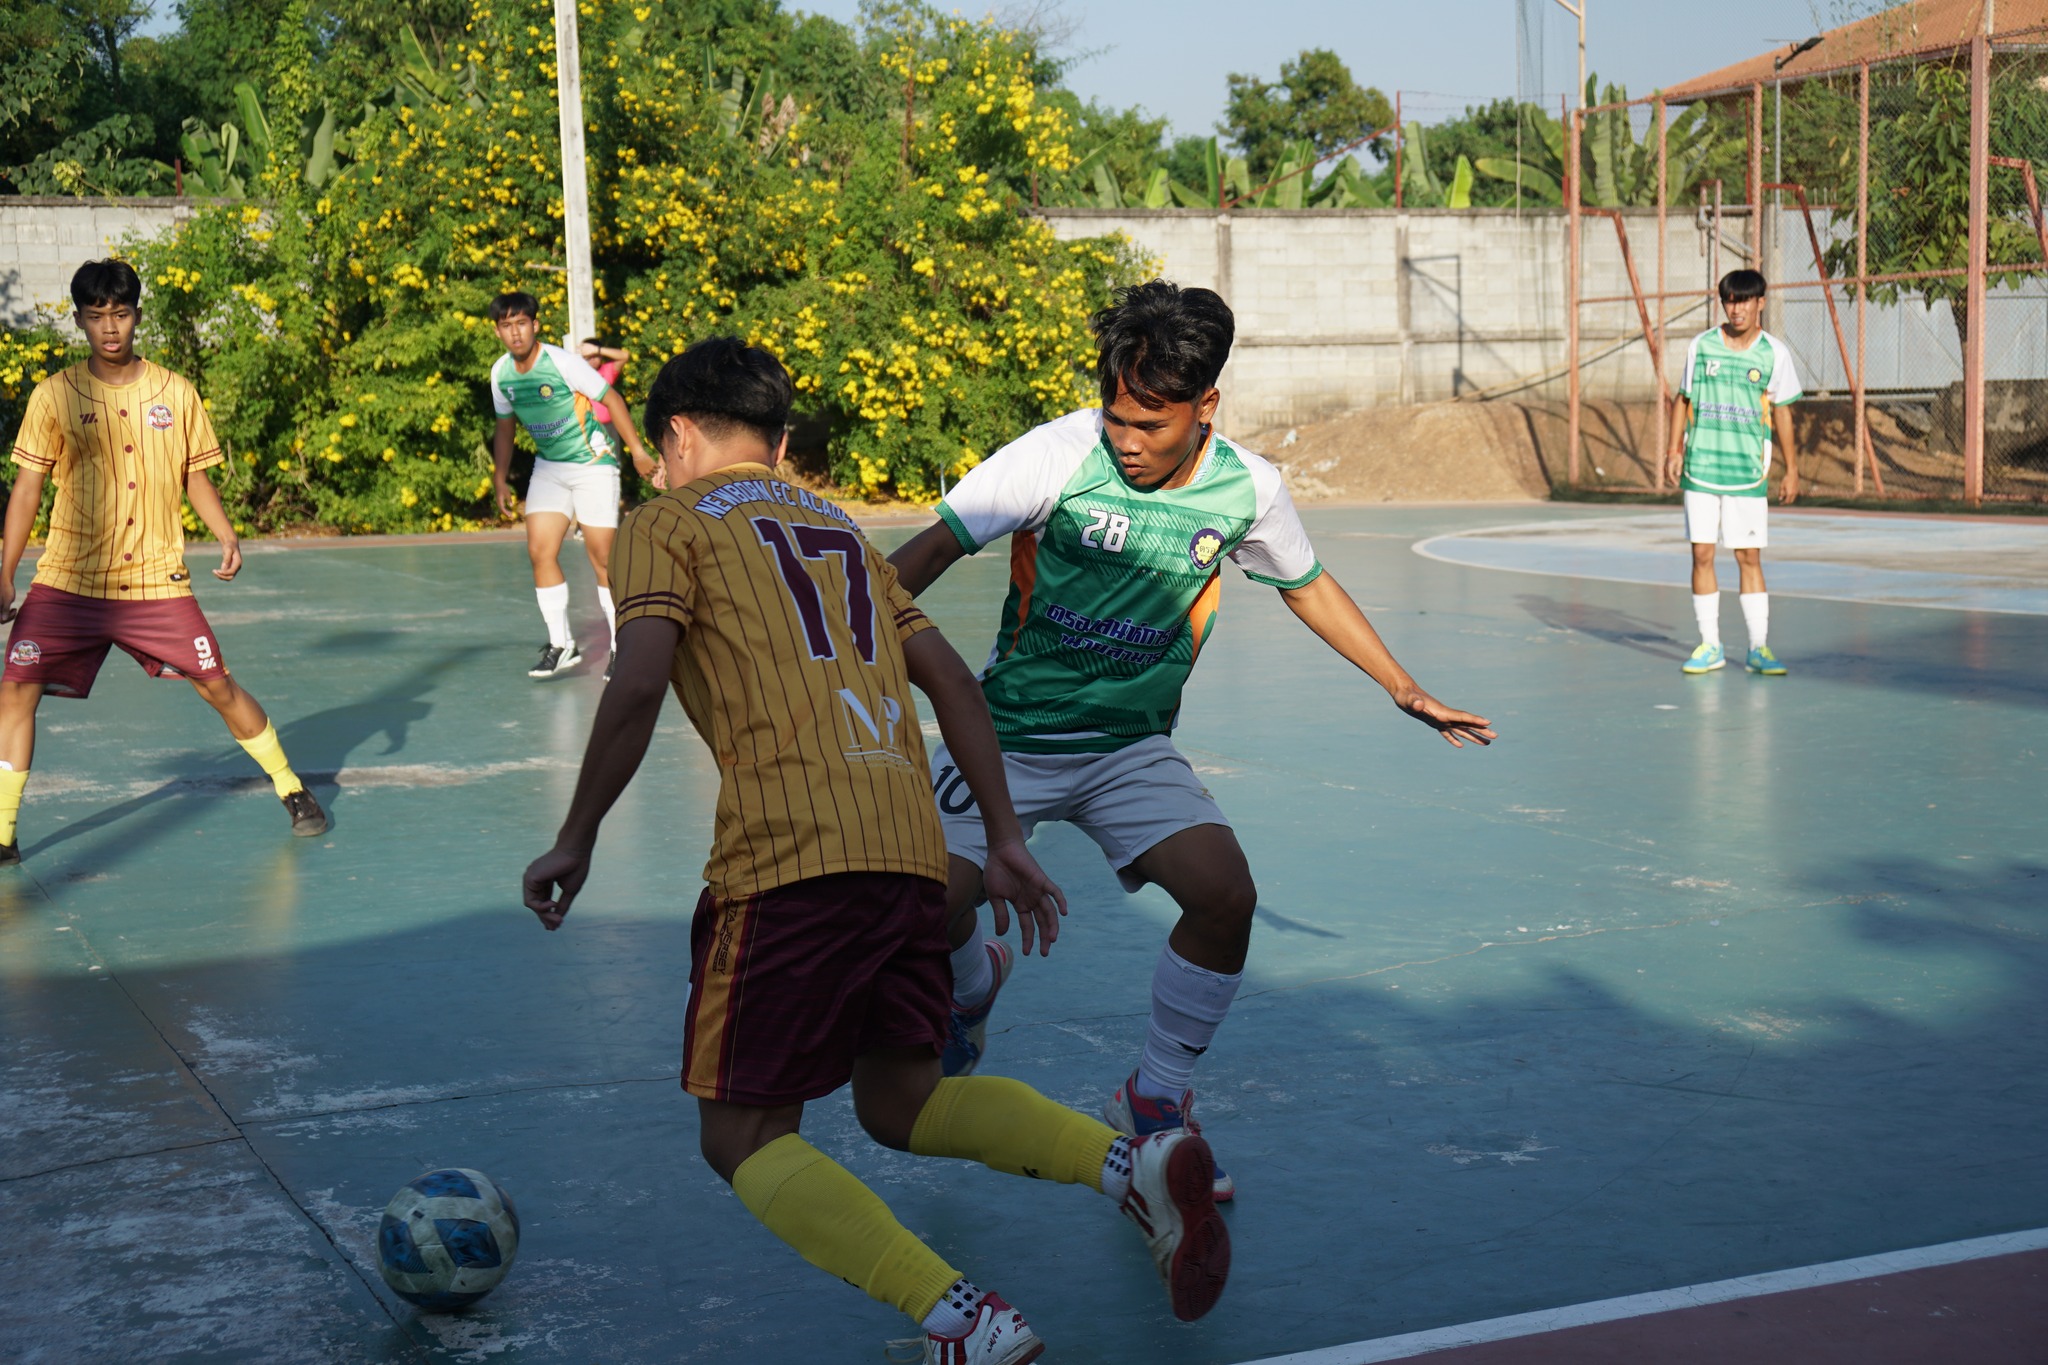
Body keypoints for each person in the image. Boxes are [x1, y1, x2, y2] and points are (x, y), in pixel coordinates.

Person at [522, 336, 1229, 1362]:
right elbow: (948, 681)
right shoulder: (838, 529)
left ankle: (960, 1320)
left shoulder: (662, 524)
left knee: (743, 1139)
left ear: (674, 434)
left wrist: (575, 837)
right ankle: (1125, 1166)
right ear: (778, 439)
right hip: (906, 852)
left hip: (785, 861)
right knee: (903, 1101)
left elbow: (635, 684)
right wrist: (996, 837)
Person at [886, 280, 1494, 1200]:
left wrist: (1403, 687)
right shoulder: (1053, 457)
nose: (1128, 440)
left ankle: (1157, 1094)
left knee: (1225, 895)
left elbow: (1308, 584)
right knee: (924, 907)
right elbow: (923, 556)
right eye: (1118, 416)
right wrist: (834, 645)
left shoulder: (1248, 488)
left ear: (1206, 406)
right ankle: (973, 985)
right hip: (1009, 737)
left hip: (1131, 746)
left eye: (1153, 424)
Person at [0, 258, 327, 862]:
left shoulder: (175, 392)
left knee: (218, 686)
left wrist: (225, 533)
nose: (110, 328)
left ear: (137, 316)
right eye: (97, 317)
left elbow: (194, 476)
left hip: (155, 582)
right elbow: (27, 489)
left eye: (120, 314)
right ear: (79, 321)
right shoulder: (53, 396)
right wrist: (5, 573)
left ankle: (292, 788)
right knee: (15, 690)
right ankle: (3, 834)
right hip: (68, 582)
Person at [487, 293, 657, 680]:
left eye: (522, 323)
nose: (515, 333)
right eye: (507, 326)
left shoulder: (562, 363)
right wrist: (500, 478)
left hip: (593, 464)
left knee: (602, 557)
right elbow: (505, 426)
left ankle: (621, 646)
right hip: (550, 467)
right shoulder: (501, 374)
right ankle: (562, 644)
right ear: (497, 331)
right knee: (539, 550)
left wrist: (636, 451)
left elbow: (611, 397)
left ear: (535, 325)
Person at [1663, 268, 1803, 677]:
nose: (1736, 308)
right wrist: (1674, 449)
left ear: (1760, 303)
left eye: (1744, 300)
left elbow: (1783, 413)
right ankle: (1710, 645)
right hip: (1702, 468)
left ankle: (1759, 648)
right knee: (1701, 553)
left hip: (1748, 473)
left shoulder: (1774, 353)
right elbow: (1683, 399)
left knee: (1748, 557)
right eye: (1729, 300)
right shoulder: (1701, 346)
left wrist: (1792, 470)